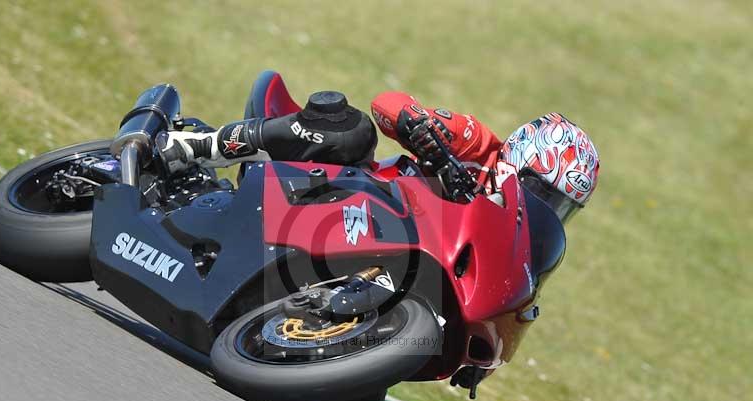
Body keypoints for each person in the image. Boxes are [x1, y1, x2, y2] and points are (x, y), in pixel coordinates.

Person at [157, 89, 599, 223]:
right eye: (542, 192)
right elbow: (387, 103)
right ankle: (199, 146)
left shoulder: (516, 242)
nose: (543, 208)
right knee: (352, 132)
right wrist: (419, 128)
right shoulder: (477, 144)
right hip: (356, 195)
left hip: (400, 258)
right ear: (515, 158)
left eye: (560, 207)